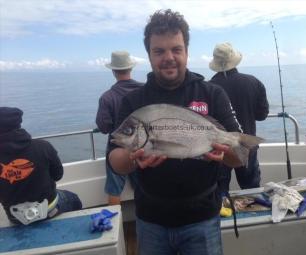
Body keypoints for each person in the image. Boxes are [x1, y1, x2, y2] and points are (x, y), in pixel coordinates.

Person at [108, 9, 243, 255]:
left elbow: (238, 157)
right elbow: (115, 159)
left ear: (186, 52)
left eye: (176, 49)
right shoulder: (132, 102)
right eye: (159, 51)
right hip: (150, 221)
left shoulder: (212, 93)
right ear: (149, 55)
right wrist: (132, 157)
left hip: (202, 218)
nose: (168, 57)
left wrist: (225, 154)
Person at [0, 107, 82, 225]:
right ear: (19, 123)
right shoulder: (43, 147)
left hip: (15, 218)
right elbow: (58, 175)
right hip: (49, 210)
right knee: (73, 198)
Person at [209, 42, 269, 192]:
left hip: (220, 149)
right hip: (247, 145)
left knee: (220, 192)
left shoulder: (208, 88)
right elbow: (262, 115)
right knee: (251, 189)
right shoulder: (254, 82)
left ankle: (223, 213)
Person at [96, 51, 143, 205]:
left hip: (118, 151)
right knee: (144, 188)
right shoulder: (144, 91)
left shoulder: (107, 97)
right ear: (130, 69)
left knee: (114, 191)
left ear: (113, 71)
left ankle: (116, 228)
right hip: (144, 147)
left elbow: (103, 127)